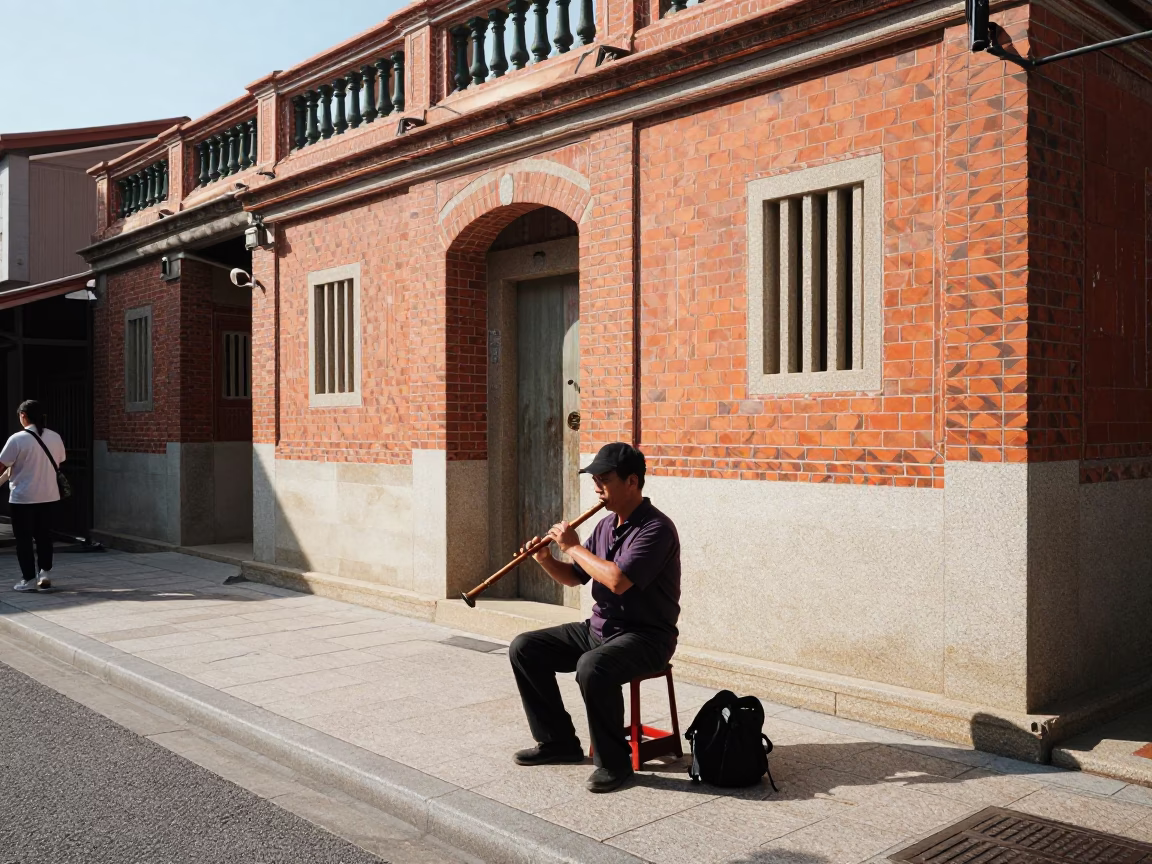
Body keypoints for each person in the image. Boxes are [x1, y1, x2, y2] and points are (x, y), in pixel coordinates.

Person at [508, 442, 681, 793]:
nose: (597, 486)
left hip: (646, 637)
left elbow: (617, 580)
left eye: (604, 479)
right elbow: (577, 576)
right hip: (600, 629)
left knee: (592, 666)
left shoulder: (656, 529)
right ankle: (558, 743)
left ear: (632, 482)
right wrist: (545, 559)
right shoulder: (604, 526)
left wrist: (572, 545)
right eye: (594, 479)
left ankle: (614, 764)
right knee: (525, 647)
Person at [0, 400, 66, 592]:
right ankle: (44, 573)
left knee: (24, 539)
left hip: (23, 498)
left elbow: (2, 464)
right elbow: (60, 460)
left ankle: (28, 578)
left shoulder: (17, 439)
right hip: (49, 495)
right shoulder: (55, 437)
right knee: (44, 537)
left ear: (23, 415)